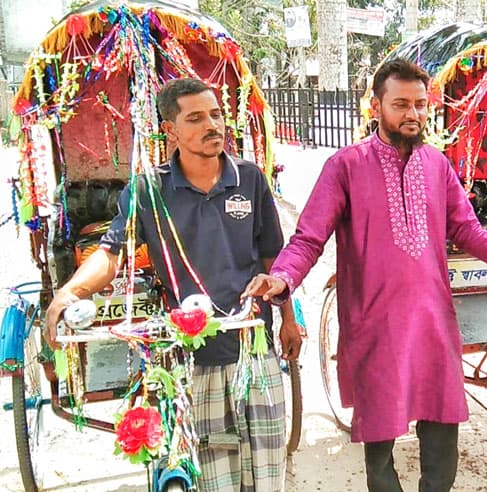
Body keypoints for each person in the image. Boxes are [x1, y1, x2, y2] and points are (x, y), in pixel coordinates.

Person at [240, 58, 487, 492]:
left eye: (419, 104)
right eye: (400, 104)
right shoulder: (345, 166)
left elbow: (467, 229)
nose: (413, 114)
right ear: (376, 107)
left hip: (432, 321)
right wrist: (282, 278)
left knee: (441, 443)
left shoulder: (437, 165)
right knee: (379, 450)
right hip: (374, 323)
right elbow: (309, 237)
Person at [44, 78, 301, 492]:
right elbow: (113, 254)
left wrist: (289, 318)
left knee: (268, 473)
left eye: (215, 114)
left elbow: (274, 258)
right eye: (196, 118)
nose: (211, 125)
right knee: (208, 475)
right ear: (171, 130)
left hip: (253, 348)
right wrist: (68, 292)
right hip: (187, 358)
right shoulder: (149, 190)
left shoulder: (251, 179)